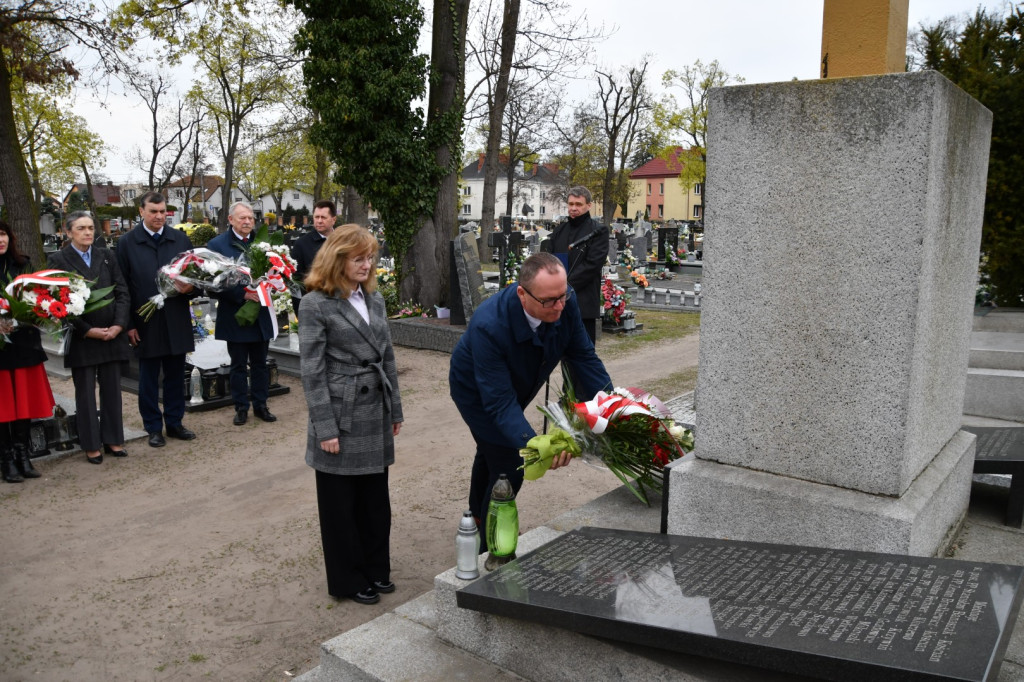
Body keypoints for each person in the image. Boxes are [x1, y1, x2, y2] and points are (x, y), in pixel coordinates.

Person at [449, 252, 612, 542]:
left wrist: (610, 405)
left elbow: (583, 356)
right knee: (511, 463)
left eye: (563, 295)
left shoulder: (564, 299)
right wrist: (536, 446)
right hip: (476, 391)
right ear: (522, 294)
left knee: (492, 450)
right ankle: (491, 546)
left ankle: (476, 515)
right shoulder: (489, 325)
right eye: (550, 301)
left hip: (518, 383)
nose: (560, 306)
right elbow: (498, 404)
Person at [299, 223, 403, 606]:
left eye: (370, 257)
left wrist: (395, 408)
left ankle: (377, 569)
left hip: (374, 409)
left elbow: (387, 356)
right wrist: (325, 427)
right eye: (359, 258)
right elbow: (312, 371)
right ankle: (347, 578)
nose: (367, 264)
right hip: (340, 414)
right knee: (341, 505)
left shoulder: (374, 299)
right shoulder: (314, 304)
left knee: (376, 500)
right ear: (337, 259)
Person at [47, 212, 131, 464]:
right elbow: (56, 303)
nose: (88, 232)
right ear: (68, 231)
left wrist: (118, 325)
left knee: (112, 391)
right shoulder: (58, 259)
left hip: (112, 335)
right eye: (81, 228)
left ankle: (113, 439)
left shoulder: (106, 256)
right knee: (85, 393)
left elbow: (122, 292)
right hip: (83, 338)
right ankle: (91, 444)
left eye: (91, 228)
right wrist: (86, 329)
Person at [117, 191, 197, 448]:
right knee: (149, 377)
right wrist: (128, 324)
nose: (159, 216)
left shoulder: (180, 239)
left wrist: (191, 288)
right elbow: (122, 287)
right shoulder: (127, 243)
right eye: (153, 211)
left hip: (175, 316)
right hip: (145, 321)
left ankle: (174, 422)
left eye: (163, 211)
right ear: (141, 212)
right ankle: (153, 426)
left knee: (175, 374)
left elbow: (196, 276)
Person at [206, 201, 277, 426]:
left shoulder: (263, 243)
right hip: (234, 314)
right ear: (231, 220)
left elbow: (275, 271)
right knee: (237, 365)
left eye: (251, 218)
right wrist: (242, 295)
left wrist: (272, 284)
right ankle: (241, 407)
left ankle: (261, 405)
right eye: (242, 218)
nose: (247, 222)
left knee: (260, 363)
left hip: (260, 314)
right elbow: (211, 282)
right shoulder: (217, 245)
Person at [0, 221, 53, 482]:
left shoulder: (24, 265)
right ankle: (6, 460)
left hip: (23, 345)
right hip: (0, 350)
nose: (0, 240)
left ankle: (24, 455)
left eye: (2, 234)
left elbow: (38, 300)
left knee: (24, 405)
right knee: (3, 408)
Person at [550, 186, 608, 344]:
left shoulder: (598, 231)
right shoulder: (559, 231)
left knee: (583, 357)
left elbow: (592, 265)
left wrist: (564, 286)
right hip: (558, 305)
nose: (573, 208)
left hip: (584, 304)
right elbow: (549, 260)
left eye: (578, 204)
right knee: (561, 356)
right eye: (571, 204)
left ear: (589, 205)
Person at [291, 200, 336, 312]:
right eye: (316, 217)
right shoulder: (302, 244)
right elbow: (296, 280)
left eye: (323, 217)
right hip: (315, 306)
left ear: (333, 219)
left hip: (342, 301)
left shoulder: (344, 241)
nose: (319, 221)